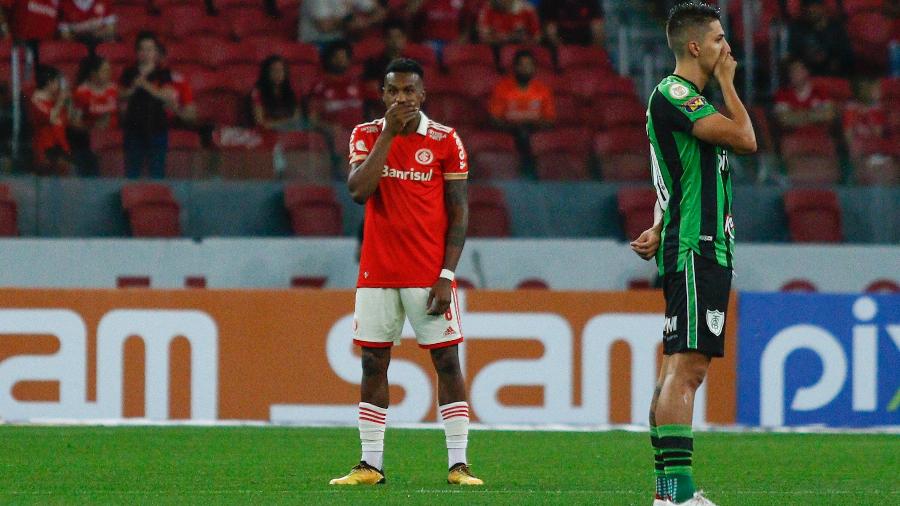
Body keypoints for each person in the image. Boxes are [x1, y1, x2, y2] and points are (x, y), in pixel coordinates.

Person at [330, 58, 482, 487]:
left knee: (447, 361)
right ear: (382, 95)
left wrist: (447, 275)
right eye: (393, 91)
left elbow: (460, 212)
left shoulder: (445, 139)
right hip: (377, 272)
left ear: (423, 95)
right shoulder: (365, 134)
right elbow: (359, 191)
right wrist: (389, 137)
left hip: (428, 273)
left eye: (409, 91)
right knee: (373, 363)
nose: (401, 99)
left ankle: (459, 465)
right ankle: (369, 465)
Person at [630, 3, 756, 506]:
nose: (729, 49)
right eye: (721, 39)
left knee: (675, 370)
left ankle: (667, 493)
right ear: (696, 46)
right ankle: (678, 496)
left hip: (698, 244)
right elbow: (746, 138)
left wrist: (659, 224)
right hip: (696, 248)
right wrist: (729, 84)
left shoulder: (690, 100)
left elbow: (678, 175)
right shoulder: (676, 93)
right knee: (687, 369)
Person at [488, 49, 555, 175]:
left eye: (529, 65)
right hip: (510, 130)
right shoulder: (502, 88)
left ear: (534, 68)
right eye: (522, 65)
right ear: (515, 67)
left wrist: (532, 124)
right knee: (522, 133)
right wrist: (514, 126)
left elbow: (550, 119)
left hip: (535, 129)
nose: (526, 69)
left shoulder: (543, 90)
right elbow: (494, 119)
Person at [120, 31, 176, 179]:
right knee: (132, 172)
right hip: (133, 129)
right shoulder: (129, 72)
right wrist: (132, 89)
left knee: (157, 172)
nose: (146, 53)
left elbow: (167, 95)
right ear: (137, 52)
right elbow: (119, 94)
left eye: (150, 49)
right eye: (142, 49)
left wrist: (145, 85)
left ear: (155, 52)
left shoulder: (163, 73)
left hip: (157, 128)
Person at [70, 54, 118, 176]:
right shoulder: (81, 92)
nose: (109, 73)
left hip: (113, 141)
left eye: (109, 70)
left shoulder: (114, 89)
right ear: (93, 74)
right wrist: (92, 128)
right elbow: (74, 121)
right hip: (90, 143)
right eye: (105, 70)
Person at [788, 0, 852, 76]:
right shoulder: (798, 29)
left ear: (822, 7)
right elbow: (792, 55)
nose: (811, 10)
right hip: (807, 77)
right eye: (807, 8)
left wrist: (835, 62)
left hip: (834, 76)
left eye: (814, 7)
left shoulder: (836, 28)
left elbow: (847, 55)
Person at [772, 57, 835, 134]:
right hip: (792, 140)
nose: (794, 74)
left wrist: (796, 115)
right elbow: (783, 119)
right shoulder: (783, 94)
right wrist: (815, 115)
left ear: (806, 72)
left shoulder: (820, 91)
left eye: (798, 70)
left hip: (820, 139)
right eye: (792, 71)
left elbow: (829, 114)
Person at [29, 65, 73, 175]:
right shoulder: (36, 101)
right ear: (49, 82)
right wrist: (61, 100)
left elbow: (69, 119)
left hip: (62, 148)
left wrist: (68, 101)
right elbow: (51, 117)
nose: (59, 86)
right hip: (46, 150)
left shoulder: (57, 102)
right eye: (57, 82)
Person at [362, 21, 408, 119]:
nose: (395, 41)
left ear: (404, 39)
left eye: (398, 37)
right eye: (391, 37)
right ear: (385, 40)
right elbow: (373, 91)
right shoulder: (374, 64)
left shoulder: (410, 64)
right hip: (382, 111)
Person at [299, 0, 386, 45]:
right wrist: (350, 23)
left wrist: (366, 22)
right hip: (316, 42)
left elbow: (379, 12)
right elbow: (324, 27)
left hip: (341, 40)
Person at [251, 55, 302, 131]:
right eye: (274, 70)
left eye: (281, 70)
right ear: (267, 73)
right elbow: (260, 122)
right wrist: (284, 123)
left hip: (289, 132)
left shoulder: (293, 90)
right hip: (267, 132)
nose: (278, 74)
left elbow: (297, 119)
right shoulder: (258, 92)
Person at [539, 0, 605, 47]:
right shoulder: (550, 2)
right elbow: (549, 28)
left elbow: (598, 24)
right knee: (551, 30)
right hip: (560, 41)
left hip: (585, 38)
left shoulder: (591, 2)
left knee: (598, 28)